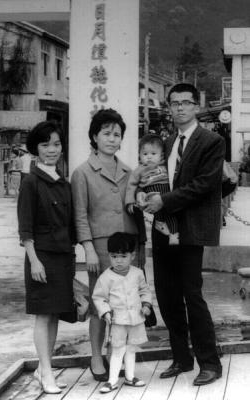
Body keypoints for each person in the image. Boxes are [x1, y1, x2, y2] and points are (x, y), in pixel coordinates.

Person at [144, 83, 225, 386]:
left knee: (192, 294)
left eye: (185, 103)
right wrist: (145, 196)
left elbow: (205, 184)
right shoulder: (164, 143)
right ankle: (181, 357)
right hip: (163, 228)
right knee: (166, 295)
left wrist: (164, 200)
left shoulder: (211, 141)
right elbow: (155, 178)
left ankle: (210, 363)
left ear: (196, 106)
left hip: (192, 229)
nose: (179, 108)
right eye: (174, 103)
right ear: (169, 107)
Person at [71, 108, 146, 382]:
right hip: (100, 250)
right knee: (99, 305)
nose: (112, 139)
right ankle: (95, 356)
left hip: (129, 247)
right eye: (106, 133)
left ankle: (123, 355)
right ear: (94, 136)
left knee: (128, 303)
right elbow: (80, 214)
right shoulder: (82, 173)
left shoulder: (129, 172)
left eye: (117, 134)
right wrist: (88, 247)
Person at [17, 121, 76, 394]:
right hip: (41, 257)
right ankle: (47, 372)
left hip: (63, 257)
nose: (51, 150)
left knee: (54, 316)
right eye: (45, 144)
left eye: (56, 144)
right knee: (43, 316)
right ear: (35, 149)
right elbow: (25, 226)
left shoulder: (63, 182)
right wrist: (35, 260)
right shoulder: (30, 182)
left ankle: (44, 369)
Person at [92, 232, 152, 393]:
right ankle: (112, 381)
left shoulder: (137, 273)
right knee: (117, 350)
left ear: (132, 256)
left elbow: (145, 291)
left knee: (131, 348)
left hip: (136, 319)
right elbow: (98, 298)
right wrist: (105, 312)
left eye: (123, 256)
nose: (118, 260)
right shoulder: (106, 277)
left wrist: (146, 304)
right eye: (114, 256)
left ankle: (130, 377)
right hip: (117, 320)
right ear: (109, 256)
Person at [125, 133, 179, 244]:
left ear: (161, 155)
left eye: (153, 153)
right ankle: (160, 223)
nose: (149, 157)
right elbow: (131, 185)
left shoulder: (165, 165)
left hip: (166, 193)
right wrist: (130, 201)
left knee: (172, 213)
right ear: (139, 155)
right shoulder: (139, 170)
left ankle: (174, 234)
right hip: (151, 193)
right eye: (145, 154)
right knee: (158, 212)